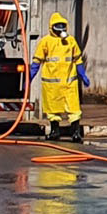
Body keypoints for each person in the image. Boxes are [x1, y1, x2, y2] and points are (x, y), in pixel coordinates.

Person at [30, 13, 90, 142]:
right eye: (58, 26)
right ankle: (54, 132)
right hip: (52, 85)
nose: (61, 29)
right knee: (52, 110)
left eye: (63, 26)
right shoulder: (45, 42)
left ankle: (75, 133)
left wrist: (82, 74)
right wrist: (30, 76)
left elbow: (77, 59)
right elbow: (37, 61)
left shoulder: (70, 41)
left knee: (74, 109)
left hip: (69, 84)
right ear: (51, 27)